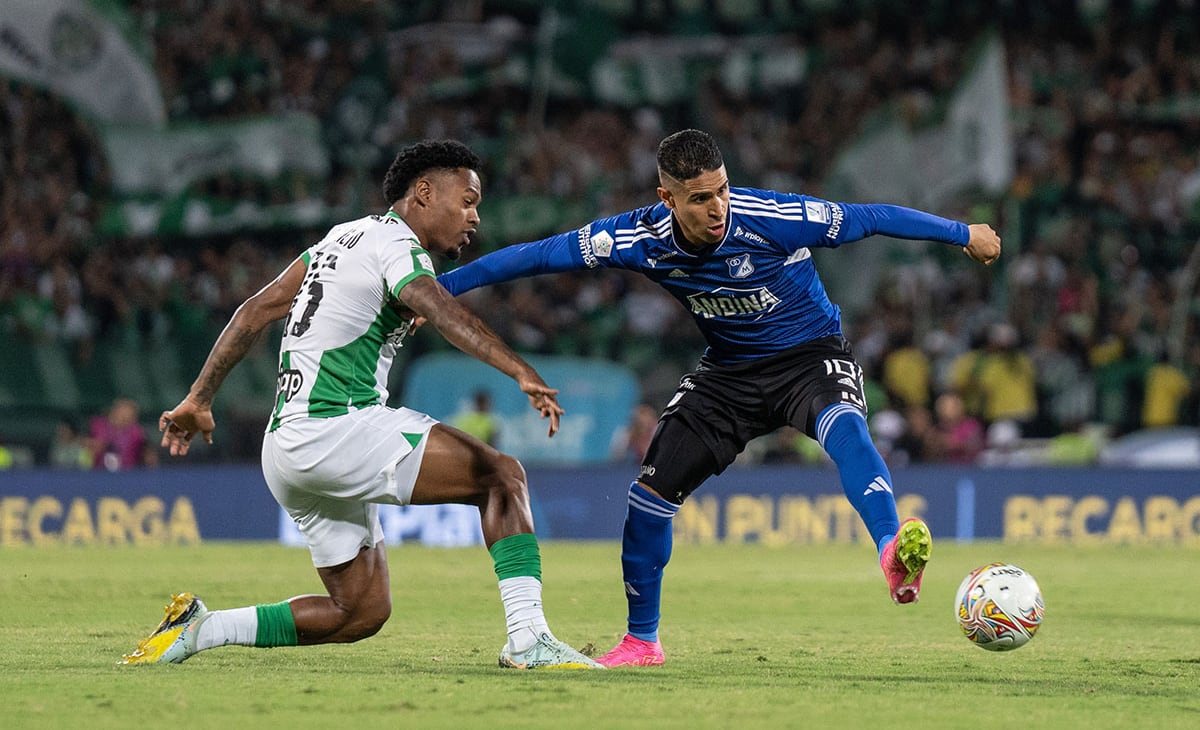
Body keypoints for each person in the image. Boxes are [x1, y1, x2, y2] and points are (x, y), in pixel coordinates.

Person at [438, 129, 1002, 667]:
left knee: (846, 427)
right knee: (647, 498)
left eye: (723, 190)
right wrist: (440, 292)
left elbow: (871, 217)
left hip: (809, 357)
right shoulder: (636, 238)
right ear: (667, 198)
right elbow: (535, 256)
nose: (718, 208)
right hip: (728, 376)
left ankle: (889, 549)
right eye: (701, 198)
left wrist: (962, 233)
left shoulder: (772, 218)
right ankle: (641, 641)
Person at [119, 140, 600, 670]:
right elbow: (437, 307)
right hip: (336, 426)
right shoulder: (397, 245)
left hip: (285, 451)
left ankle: (201, 629)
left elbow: (254, 312)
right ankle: (529, 638)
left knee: (359, 611)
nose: (474, 217)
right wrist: (520, 371)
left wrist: (199, 397)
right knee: (503, 478)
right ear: (423, 193)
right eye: (466, 201)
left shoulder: (339, 238)